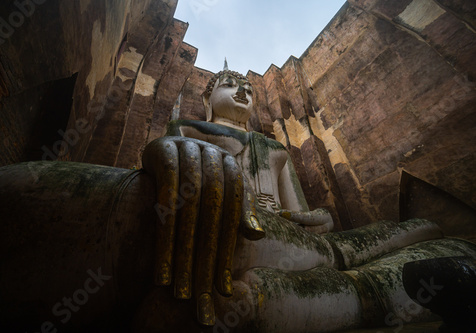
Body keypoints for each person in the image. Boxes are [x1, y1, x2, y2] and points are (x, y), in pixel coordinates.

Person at [138, 70, 476, 331]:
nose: (242, 92)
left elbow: (300, 211)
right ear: (208, 97)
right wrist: (163, 153)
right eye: (229, 85)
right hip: (245, 230)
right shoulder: (188, 129)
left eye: (249, 90)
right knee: (347, 266)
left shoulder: (274, 149)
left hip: (301, 239)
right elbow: (163, 169)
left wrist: (320, 218)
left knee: (423, 227)